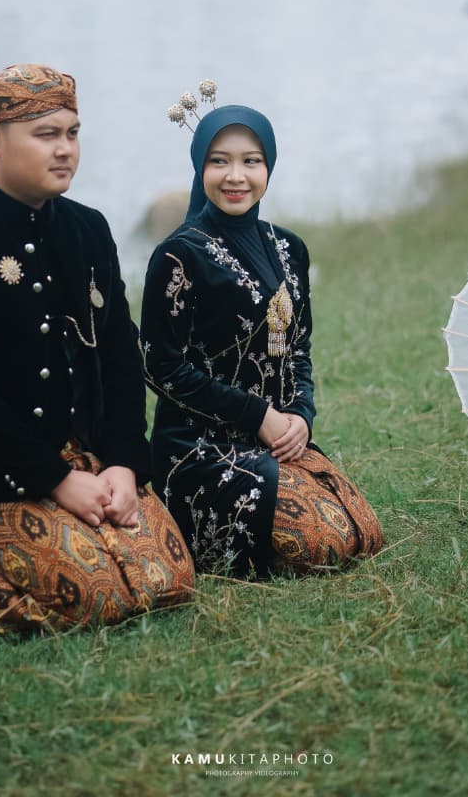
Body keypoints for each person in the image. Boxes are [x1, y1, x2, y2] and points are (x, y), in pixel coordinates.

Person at [0, 64, 193, 633]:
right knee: (101, 599)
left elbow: (120, 356)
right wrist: (55, 480)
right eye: (46, 134)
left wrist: (124, 463)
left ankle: (36, 542)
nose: (65, 150)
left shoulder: (88, 229)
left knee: (170, 581)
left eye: (72, 133)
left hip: (86, 455)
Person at [140, 88, 383, 577]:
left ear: (268, 166)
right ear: (200, 167)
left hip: (277, 441)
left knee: (364, 532)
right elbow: (160, 367)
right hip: (200, 449)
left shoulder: (290, 248)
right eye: (219, 161)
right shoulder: (178, 256)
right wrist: (258, 416)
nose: (236, 176)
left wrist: (301, 417)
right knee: (327, 542)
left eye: (251, 161)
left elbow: (298, 350)